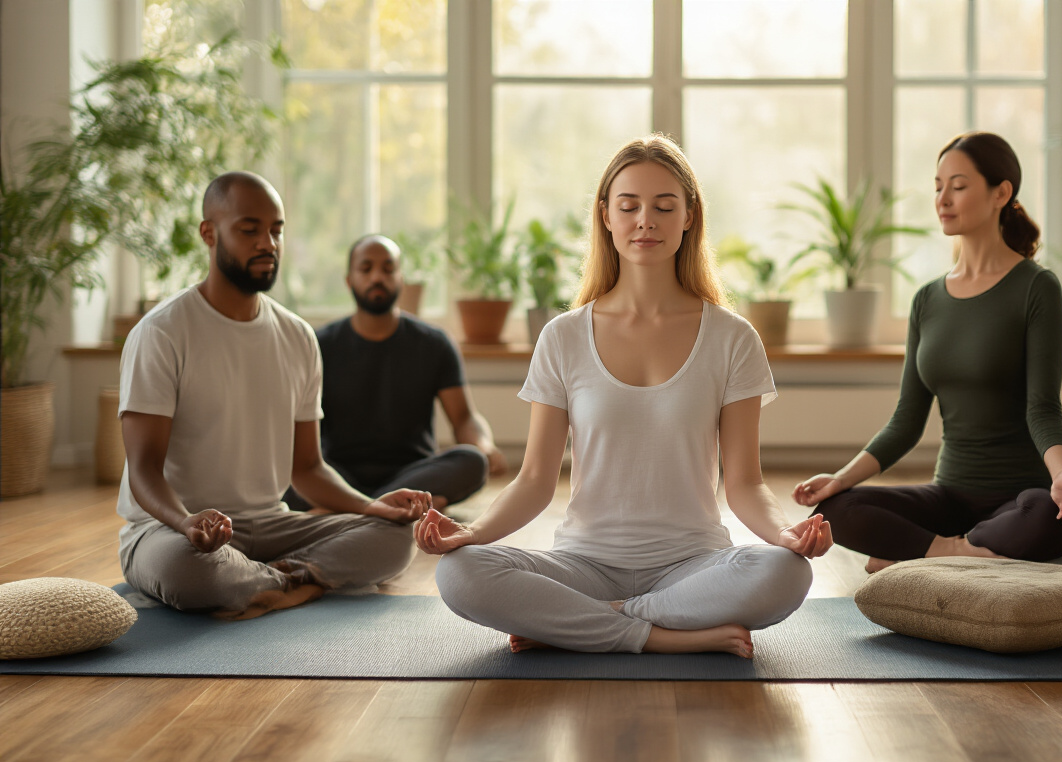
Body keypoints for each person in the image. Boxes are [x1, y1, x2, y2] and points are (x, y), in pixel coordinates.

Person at [414, 135, 832, 657]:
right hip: (583, 566)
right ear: (606, 216)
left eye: (664, 206)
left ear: (689, 217)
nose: (645, 221)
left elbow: (746, 482)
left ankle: (592, 626)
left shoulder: (732, 338)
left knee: (784, 573)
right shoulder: (563, 336)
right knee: (459, 573)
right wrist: (470, 534)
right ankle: (662, 637)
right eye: (629, 205)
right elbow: (536, 480)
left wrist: (785, 534)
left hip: (693, 566)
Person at [117, 172, 428, 620]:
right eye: (249, 230)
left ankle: (273, 583)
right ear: (209, 232)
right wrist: (186, 522)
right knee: (189, 572)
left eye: (276, 230)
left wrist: (372, 506)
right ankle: (296, 581)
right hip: (172, 532)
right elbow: (143, 469)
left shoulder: (298, 336)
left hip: (269, 526)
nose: (267, 242)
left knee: (395, 537)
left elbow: (307, 469)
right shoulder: (161, 332)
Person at [793, 132, 1062, 573]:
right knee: (835, 509)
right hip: (948, 497)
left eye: (959, 185)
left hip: (1020, 500)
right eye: (937, 186)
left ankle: (922, 551)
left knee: (1054, 519)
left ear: (1001, 193)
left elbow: (1042, 406)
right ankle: (957, 552)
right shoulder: (928, 299)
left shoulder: (1035, 287)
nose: (943, 199)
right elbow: (906, 421)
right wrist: (839, 479)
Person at [283, 234, 506, 514]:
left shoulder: (435, 343)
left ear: (401, 278)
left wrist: (484, 444)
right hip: (337, 474)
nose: (377, 276)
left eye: (388, 269)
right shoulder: (319, 345)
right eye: (366, 269)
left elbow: (464, 417)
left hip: (412, 472)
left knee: (473, 461)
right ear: (349, 280)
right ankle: (398, 507)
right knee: (287, 473)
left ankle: (356, 508)